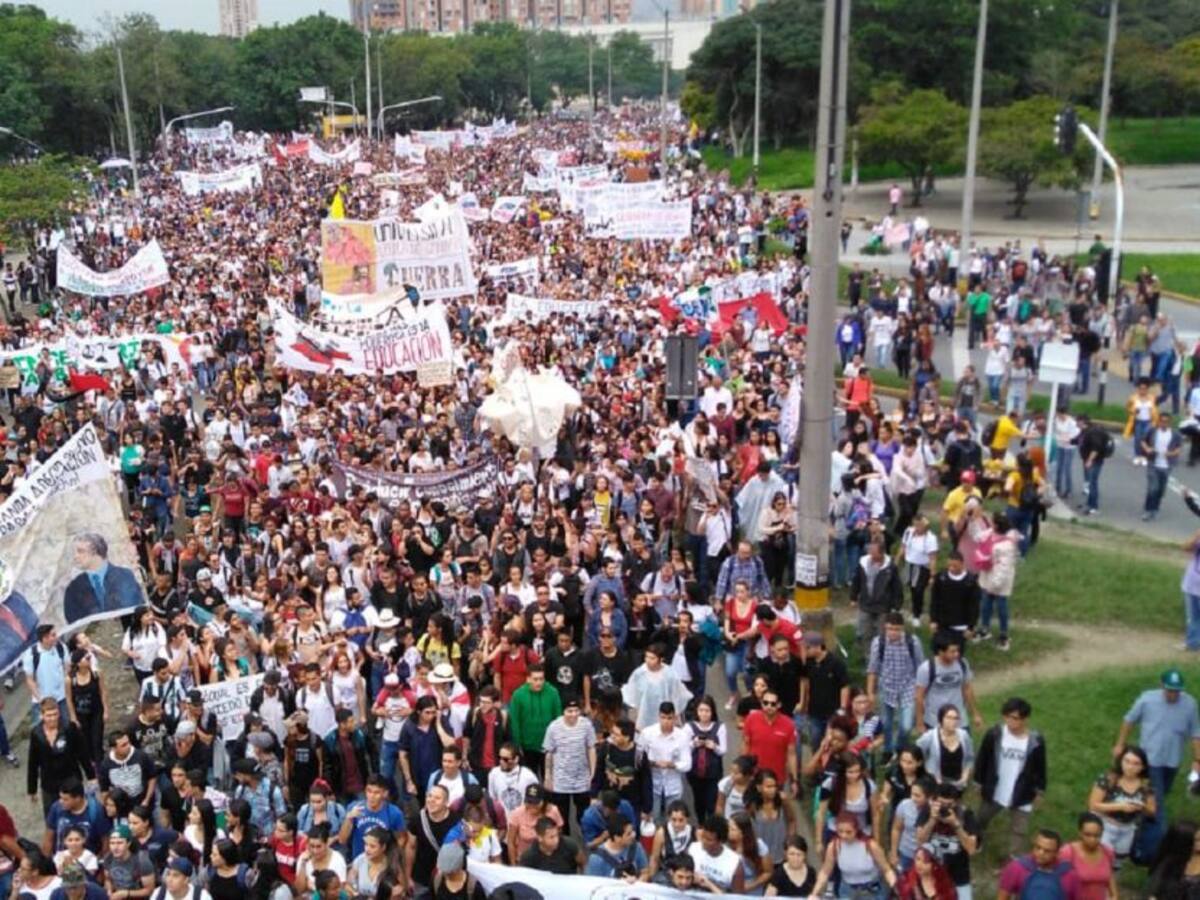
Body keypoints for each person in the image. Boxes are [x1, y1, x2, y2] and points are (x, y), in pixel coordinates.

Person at [1112, 668, 1200, 854]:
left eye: (1176, 690)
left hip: (1172, 761)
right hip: (1149, 761)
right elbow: (1129, 720)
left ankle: (1136, 835)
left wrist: (1197, 759)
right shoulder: (1147, 699)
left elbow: (1195, 734)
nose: (1173, 694)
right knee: (1157, 806)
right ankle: (1154, 850)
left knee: (1154, 801)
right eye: (1169, 690)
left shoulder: (1190, 704)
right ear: (1162, 686)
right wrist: (1121, 744)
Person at [975, 697, 1047, 860]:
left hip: (1022, 792)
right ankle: (976, 841)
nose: (1010, 721)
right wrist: (978, 782)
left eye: (1015, 718)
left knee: (1019, 830)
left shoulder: (1035, 741)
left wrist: (1040, 791)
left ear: (1025, 719)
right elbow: (983, 759)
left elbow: (1040, 767)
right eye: (1007, 716)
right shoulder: (994, 734)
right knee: (981, 819)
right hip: (996, 789)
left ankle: (1014, 860)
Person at [1087, 745, 1156, 865]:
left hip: (1127, 828)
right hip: (1105, 825)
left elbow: (1152, 810)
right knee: (1099, 860)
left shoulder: (1146, 785)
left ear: (1142, 767)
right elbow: (1093, 805)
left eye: (1136, 764)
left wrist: (1142, 807)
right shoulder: (1108, 779)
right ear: (1121, 761)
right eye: (1127, 761)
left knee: (1117, 863)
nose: (1130, 767)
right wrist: (1119, 806)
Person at [867, 612, 922, 760]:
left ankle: (901, 749)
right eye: (890, 629)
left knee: (906, 726)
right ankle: (887, 750)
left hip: (908, 687)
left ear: (902, 628)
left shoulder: (913, 642)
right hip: (887, 687)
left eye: (896, 629)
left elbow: (920, 668)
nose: (893, 632)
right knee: (886, 723)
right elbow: (873, 669)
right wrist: (870, 692)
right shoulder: (878, 643)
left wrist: (920, 691)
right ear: (885, 628)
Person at [808, 812, 897, 900]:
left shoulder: (870, 845)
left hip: (872, 891)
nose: (844, 835)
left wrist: (895, 888)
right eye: (840, 831)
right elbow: (825, 872)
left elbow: (887, 870)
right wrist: (814, 893)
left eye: (848, 832)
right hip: (847, 891)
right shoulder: (834, 846)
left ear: (856, 830)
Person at [63, 532, 146, 624]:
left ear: (95, 551)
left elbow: (136, 606)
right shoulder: (74, 587)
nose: (76, 556)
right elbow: (73, 621)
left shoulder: (125, 576)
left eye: (80, 551)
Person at [28, 699, 90, 815]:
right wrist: (32, 789)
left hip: (70, 779)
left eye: (55, 714)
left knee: (77, 812)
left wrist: (91, 776)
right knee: (52, 815)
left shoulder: (69, 728)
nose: (53, 718)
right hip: (49, 783)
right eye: (49, 715)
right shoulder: (36, 733)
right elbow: (33, 762)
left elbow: (82, 752)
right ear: (42, 716)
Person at [637, 701, 693, 820]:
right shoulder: (648, 733)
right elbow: (638, 758)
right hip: (653, 785)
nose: (666, 721)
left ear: (675, 717)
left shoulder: (682, 736)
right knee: (652, 819)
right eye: (663, 717)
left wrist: (672, 765)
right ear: (659, 716)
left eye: (669, 718)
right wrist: (653, 763)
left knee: (673, 820)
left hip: (673, 785)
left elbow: (687, 764)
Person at [405, 785, 461, 900]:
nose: (431, 801)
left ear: (446, 802)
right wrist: (407, 875)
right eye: (429, 796)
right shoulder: (417, 819)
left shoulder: (456, 823)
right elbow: (410, 847)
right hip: (421, 878)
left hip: (447, 879)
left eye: (437, 798)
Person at [850, 540, 903, 657]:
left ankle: (882, 657)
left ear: (882, 553)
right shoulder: (863, 563)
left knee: (882, 635)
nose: (871, 555)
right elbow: (856, 581)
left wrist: (896, 606)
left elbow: (897, 587)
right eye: (870, 551)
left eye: (874, 553)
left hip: (883, 607)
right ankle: (869, 659)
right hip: (865, 605)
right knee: (865, 633)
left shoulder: (891, 567)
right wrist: (853, 597)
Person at [508, 664, 561, 779]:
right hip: (527, 747)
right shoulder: (518, 695)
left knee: (550, 779)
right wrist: (518, 745)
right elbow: (515, 723)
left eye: (541, 679)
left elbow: (558, 719)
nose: (539, 682)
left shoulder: (553, 693)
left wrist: (557, 743)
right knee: (529, 780)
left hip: (548, 747)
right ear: (528, 679)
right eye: (535, 679)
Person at [996, 830, 1078, 900]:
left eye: (1047, 851)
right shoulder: (1017, 867)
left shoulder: (1069, 875)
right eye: (1038, 847)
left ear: (1057, 853)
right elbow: (1002, 896)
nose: (1040, 853)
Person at [916, 706, 974, 793]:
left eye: (956, 718)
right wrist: (927, 772)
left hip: (958, 784)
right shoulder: (930, 736)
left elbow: (970, 758)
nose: (953, 722)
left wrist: (965, 776)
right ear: (941, 719)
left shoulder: (964, 735)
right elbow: (914, 752)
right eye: (949, 718)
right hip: (937, 784)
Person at [1058, 813, 1116, 900]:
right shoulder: (1068, 853)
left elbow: (1110, 876)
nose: (1092, 840)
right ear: (1080, 833)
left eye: (1097, 836)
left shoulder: (1107, 852)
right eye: (1088, 835)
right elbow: (1059, 883)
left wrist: (1114, 895)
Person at [1141, 411, 1181, 521]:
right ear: (1158, 421)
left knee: (1161, 490)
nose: (1163, 424)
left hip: (1167, 465)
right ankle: (1148, 510)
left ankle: (1155, 508)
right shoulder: (1153, 431)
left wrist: (1171, 453)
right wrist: (1147, 449)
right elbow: (1143, 441)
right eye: (1161, 421)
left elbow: (1178, 448)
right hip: (1153, 464)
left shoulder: (1175, 434)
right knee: (1153, 488)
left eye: (1166, 422)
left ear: (1170, 423)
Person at [583, 813, 648, 880]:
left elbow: (645, 872)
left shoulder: (636, 847)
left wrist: (637, 882)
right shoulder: (596, 859)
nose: (633, 835)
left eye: (632, 831)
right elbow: (592, 884)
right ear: (617, 838)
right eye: (628, 834)